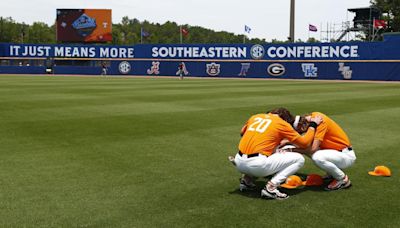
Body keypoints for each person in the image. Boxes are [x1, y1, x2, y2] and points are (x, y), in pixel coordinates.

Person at [233, 108, 323, 200]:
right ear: (285, 119)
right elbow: (305, 143)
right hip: (257, 166)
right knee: (299, 159)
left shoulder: (255, 117)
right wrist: (313, 124)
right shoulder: (281, 123)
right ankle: (271, 187)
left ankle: (246, 180)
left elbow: (242, 133)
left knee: (267, 149)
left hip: (238, 163)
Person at [291, 112, 356, 191]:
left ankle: (342, 179)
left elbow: (313, 149)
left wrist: (292, 150)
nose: (301, 133)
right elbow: (304, 143)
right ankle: (331, 174)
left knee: (317, 157)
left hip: (346, 155)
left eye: (299, 131)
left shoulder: (320, 121)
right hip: (337, 153)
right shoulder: (314, 118)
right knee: (309, 150)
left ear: (302, 125)